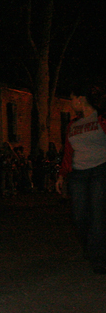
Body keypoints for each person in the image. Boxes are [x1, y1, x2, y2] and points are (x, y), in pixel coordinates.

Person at [56, 79, 106, 274]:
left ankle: (99, 258)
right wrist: (62, 175)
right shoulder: (72, 124)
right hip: (78, 174)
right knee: (79, 217)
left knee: (98, 216)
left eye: (72, 99)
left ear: (81, 99)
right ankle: (91, 248)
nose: (70, 102)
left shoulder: (101, 119)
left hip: (100, 171)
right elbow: (68, 152)